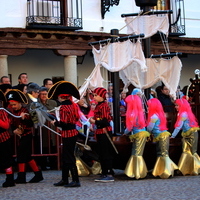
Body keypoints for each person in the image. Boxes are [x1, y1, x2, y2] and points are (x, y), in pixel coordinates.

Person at [6, 89, 44, 184]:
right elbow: (12, 123)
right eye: (11, 105)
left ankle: (21, 177)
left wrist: (23, 120)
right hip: (21, 136)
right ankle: (38, 174)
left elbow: (33, 123)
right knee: (27, 156)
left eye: (14, 105)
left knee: (21, 156)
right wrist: (14, 130)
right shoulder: (12, 112)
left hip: (28, 134)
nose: (13, 107)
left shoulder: (28, 110)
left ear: (19, 103)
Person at [49, 81, 81, 187]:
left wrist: (55, 123)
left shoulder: (63, 107)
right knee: (67, 156)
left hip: (68, 133)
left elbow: (64, 123)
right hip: (73, 132)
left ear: (61, 97)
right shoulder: (73, 105)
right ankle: (65, 179)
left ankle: (75, 180)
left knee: (68, 157)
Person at [147, 98, 178, 179]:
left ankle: (167, 171)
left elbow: (150, 127)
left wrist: (147, 131)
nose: (148, 108)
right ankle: (163, 170)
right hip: (163, 135)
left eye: (149, 106)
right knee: (163, 153)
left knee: (162, 154)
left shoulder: (153, 116)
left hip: (160, 136)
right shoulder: (160, 114)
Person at [89, 87, 115, 182]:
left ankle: (107, 173)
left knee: (105, 153)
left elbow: (105, 121)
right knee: (102, 152)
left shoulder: (103, 105)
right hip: (100, 132)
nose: (94, 97)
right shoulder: (99, 105)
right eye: (94, 95)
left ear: (102, 96)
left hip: (104, 132)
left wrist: (94, 121)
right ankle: (105, 172)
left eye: (96, 95)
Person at [171, 98, 200, 175]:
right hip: (187, 134)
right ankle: (186, 169)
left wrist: (173, 136)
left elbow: (178, 126)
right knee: (187, 151)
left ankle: (196, 169)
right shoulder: (184, 113)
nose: (175, 107)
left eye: (177, 105)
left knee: (192, 152)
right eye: (175, 105)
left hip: (191, 134)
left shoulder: (183, 114)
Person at [124, 94, 150, 179]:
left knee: (136, 153)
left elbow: (129, 127)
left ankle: (138, 172)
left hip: (138, 135)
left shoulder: (132, 114)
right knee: (137, 153)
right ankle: (137, 171)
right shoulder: (139, 112)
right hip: (141, 134)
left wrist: (124, 133)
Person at [38, 87, 57, 170]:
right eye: (42, 94)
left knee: (53, 145)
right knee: (43, 146)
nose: (43, 96)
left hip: (52, 128)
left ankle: (54, 164)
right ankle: (43, 165)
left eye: (45, 94)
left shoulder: (53, 103)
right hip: (42, 128)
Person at [0, 89, 15, 187]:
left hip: (3, 139)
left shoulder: (2, 111)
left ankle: (10, 179)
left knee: (6, 160)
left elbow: (6, 125)